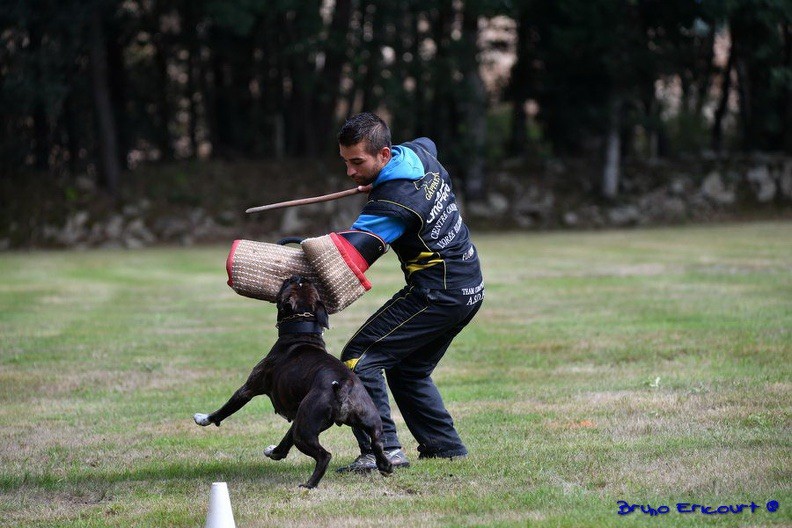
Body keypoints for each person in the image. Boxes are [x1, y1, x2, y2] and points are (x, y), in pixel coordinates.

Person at [332, 112, 484, 472]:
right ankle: (445, 448)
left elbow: (347, 258)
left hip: (438, 292)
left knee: (359, 358)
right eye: (346, 162)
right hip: (468, 285)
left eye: (358, 163)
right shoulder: (417, 155)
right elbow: (428, 141)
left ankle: (383, 452)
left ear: (384, 154)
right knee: (408, 369)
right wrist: (380, 177)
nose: (350, 172)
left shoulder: (392, 206)